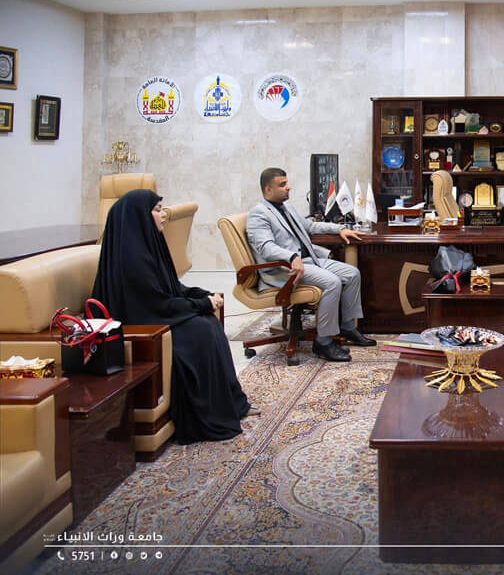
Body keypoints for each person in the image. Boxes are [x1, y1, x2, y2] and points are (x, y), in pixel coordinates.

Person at [92, 189, 257, 445]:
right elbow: (154, 303)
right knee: (201, 332)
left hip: (156, 315)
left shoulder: (148, 245)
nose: (163, 216)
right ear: (140, 216)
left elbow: (171, 287)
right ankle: (207, 415)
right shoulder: (131, 258)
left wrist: (202, 295)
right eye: (157, 210)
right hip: (143, 325)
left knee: (208, 324)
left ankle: (232, 404)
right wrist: (201, 304)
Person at [246, 168, 375, 363]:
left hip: (308, 260)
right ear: (268, 189)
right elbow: (265, 247)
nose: (288, 187)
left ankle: (348, 327)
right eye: (282, 184)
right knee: (332, 282)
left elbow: (310, 226)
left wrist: (340, 229)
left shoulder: (286, 207)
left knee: (352, 273)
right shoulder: (258, 214)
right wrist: (291, 257)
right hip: (286, 269)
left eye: (287, 182)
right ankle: (323, 342)